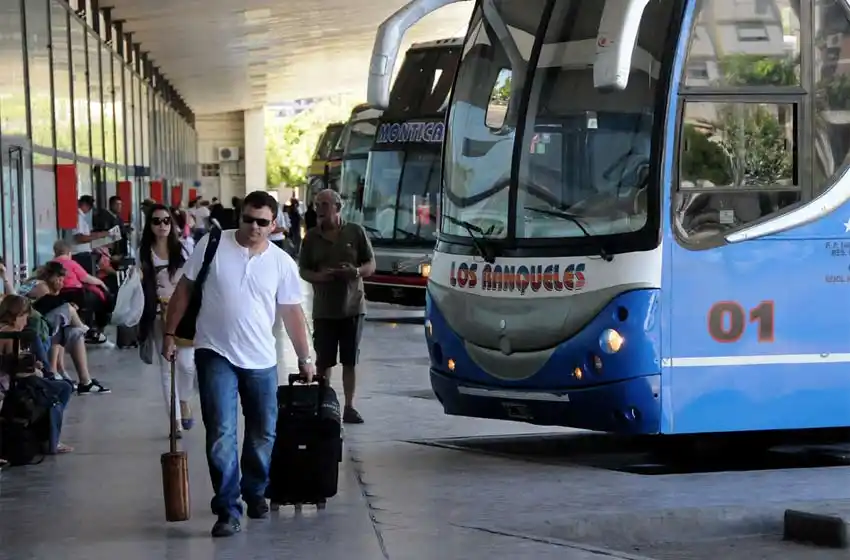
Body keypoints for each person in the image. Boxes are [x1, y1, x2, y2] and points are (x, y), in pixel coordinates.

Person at [162, 190, 316, 538]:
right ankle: (228, 508)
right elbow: (184, 290)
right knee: (221, 433)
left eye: (263, 222)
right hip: (214, 352)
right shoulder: (212, 245)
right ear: (240, 216)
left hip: (260, 359)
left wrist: (305, 357)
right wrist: (169, 333)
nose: (255, 227)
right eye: (249, 219)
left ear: (273, 224)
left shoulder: (281, 262)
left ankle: (255, 489)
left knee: (263, 432)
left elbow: (292, 311)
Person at [299, 188, 375, 424]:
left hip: (352, 307)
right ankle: (324, 404)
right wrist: (320, 277)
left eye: (324, 204)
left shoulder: (355, 232)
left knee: (350, 359)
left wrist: (355, 272)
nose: (319, 209)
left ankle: (350, 406)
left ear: (337, 208)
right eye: (316, 204)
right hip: (324, 309)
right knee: (324, 360)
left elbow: (371, 264)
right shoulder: (311, 237)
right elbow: (303, 269)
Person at [138, 204, 196, 437]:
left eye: (166, 221)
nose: (162, 225)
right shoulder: (143, 253)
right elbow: (140, 283)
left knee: (187, 365)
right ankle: (175, 421)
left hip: (183, 312)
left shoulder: (182, 249)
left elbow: (192, 280)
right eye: (156, 221)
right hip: (157, 313)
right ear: (149, 225)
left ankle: (184, 400)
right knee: (166, 369)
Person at [0, 295, 74, 454]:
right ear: (18, 315)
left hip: (8, 381)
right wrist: (36, 371)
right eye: (25, 317)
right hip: (12, 385)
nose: (26, 322)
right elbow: (16, 372)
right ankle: (52, 440)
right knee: (63, 389)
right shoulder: (13, 335)